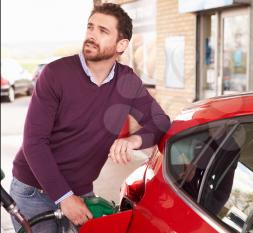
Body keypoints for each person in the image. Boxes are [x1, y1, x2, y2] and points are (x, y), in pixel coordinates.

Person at [10, 3, 170, 232]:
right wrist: (64, 197)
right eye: (90, 27)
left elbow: (161, 122)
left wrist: (133, 140)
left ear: (121, 45)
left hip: (81, 188)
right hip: (35, 190)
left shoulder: (127, 81)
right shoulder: (55, 74)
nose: (92, 35)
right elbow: (34, 143)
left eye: (103, 31)